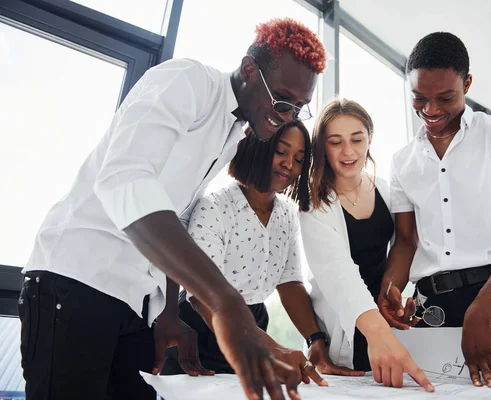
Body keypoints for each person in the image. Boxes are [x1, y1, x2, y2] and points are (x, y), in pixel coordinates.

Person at [19, 18, 326, 400]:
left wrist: (164, 309)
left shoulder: (230, 135)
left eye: (299, 108)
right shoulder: (188, 81)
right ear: (249, 70)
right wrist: (225, 300)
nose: (287, 116)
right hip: (76, 277)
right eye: (282, 100)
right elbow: (125, 180)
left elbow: (172, 216)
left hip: (133, 302)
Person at [379, 32, 491, 389]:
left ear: (467, 83)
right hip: (433, 311)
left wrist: (481, 313)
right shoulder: (402, 161)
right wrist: (391, 289)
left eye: (445, 97)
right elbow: (407, 240)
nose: (431, 110)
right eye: (419, 98)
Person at [161, 121, 362, 384]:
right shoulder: (214, 207)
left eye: (299, 159)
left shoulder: (287, 215)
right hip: (203, 328)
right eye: (281, 151)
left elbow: (289, 283)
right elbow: (202, 296)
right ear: (257, 146)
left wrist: (316, 341)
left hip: (254, 322)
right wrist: (275, 348)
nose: (289, 164)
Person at [299, 98, 434, 392]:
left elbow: (407, 247)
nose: (348, 151)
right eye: (335, 142)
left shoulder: (385, 189)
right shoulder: (315, 205)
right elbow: (338, 273)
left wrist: (396, 296)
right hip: (347, 332)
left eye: (357, 139)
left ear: (370, 138)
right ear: (323, 147)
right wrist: (377, 332)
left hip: (385, 324)